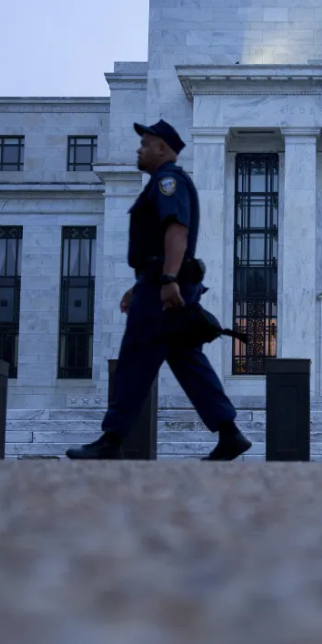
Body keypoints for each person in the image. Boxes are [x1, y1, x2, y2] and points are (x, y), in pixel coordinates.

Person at [66, 117, 252, 461]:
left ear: (163, 148)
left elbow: (176, 232)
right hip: (156, 285)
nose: (140, 149)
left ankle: (112, 438)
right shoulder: (162, 183)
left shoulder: (168, 181)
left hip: (163, 289)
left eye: (145, 143)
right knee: (186, 360)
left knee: (134, 361)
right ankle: (229, 432)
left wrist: (166, 281)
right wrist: (141, 287)